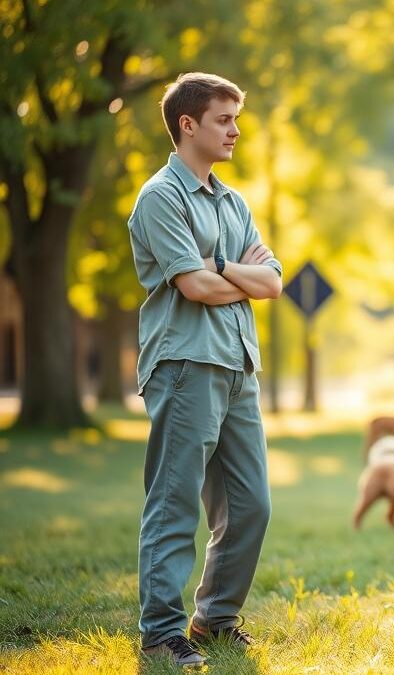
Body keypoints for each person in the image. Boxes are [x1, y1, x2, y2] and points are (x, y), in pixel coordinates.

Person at [128, 73, 282, 667]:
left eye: (236, 119)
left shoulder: (233, 201)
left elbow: (271, 282)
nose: (236, 130)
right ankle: (162, 632)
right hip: (186, 366)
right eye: (224, 119)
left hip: (240, 367)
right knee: (174, 501)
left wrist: (223, 269)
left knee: (252, 506)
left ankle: (215, 619)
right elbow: (193, 286)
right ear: (188, 125)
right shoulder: (159, 198)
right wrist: (229, 270)